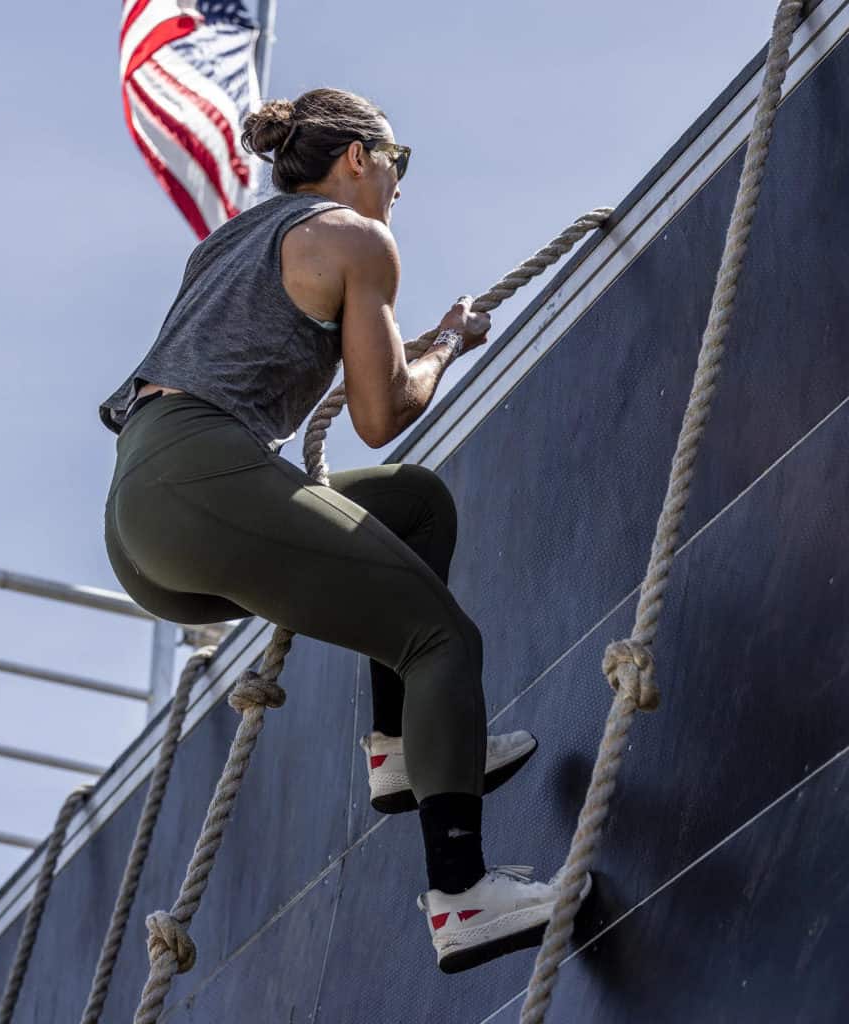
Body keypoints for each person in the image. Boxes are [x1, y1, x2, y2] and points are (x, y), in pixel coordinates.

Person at [99, 87, 590, 973]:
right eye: (399, 163)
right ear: (359, 156)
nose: (401, 185)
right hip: (204, 478)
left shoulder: (225, 242)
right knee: (440, 637)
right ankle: (462, 896)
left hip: (141, 509)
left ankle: (403, 750)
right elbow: (380, 409)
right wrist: (448, 340)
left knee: (412, 503)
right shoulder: (359, 239)